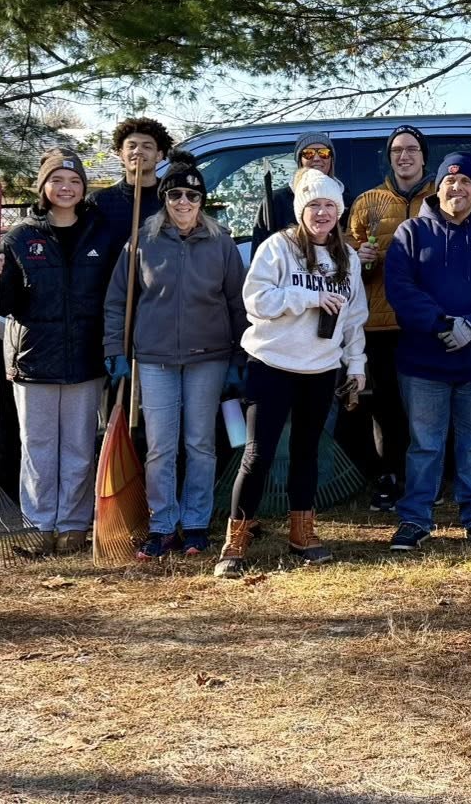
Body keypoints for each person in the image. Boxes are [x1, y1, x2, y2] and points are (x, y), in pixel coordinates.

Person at [101, 152, 248, 561]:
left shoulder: (220, 243)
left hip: (209, 357)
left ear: (203, 201)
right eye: (176, 195)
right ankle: (163, 525)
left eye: (192, 196)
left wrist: (239, 355)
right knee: (161, 446)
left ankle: (197, 524)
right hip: (155, 357)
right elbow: (118, 301)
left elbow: (238, 303)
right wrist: (115, 349)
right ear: (165, 199)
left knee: (200, 443)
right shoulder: (142, 241)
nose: (184, 202)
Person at [219, 169, 367, 573]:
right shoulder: (277, 247)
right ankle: (235, 542)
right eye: (314, 205)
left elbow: (354, 318)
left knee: (306, 452)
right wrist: (308, 297)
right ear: (301, 210)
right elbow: (256, 301)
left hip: (320, 369)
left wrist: (356, 365)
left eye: (329, 206)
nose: (322, 213)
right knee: (258, 453)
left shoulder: (347, 258)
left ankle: (302, 533)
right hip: (272, 364)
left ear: (339, 212)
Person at [0, 150, 120, 556]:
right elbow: (1, 305)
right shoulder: (21, 237)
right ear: (43, 187)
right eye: (57, 180)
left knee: (77, 446)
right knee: (39, 447)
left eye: (73, 181)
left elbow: (114, 295)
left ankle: (73, 524)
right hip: (34, 358)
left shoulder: (100, 235)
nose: (66, 188)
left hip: (85, 358)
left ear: (83, 188)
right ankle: (39, 524)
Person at [381, 151, 471, 551]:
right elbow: (401, 289)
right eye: (449, 181)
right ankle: (415, 520)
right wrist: (443, 324)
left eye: (465, 183)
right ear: (437, 187)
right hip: (424, 363)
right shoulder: (411, 233)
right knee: (425, 445)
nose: (457, 188)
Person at [344, 124, 433, 511]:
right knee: (385, 406)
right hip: (380, 322)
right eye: (397, 150)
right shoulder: (367, 202)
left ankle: (427, 477)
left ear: (423, 156)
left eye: (411, 149)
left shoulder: (440, 195)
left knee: (427, 404)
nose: (404, 156)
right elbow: (344, 260)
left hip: (426, 320)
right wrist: (358, 261)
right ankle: (390, 475)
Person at [250, 130, 339, 253]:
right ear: (299, 160)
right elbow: (259, 254)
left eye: (324, 153)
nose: (317, 158)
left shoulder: (347, 201)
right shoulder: (275, 201)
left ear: (331, 159)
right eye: (309, 153)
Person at [90, 117, 172, 243]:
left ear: (159, 155)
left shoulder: (173, 199)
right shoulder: (98, 201)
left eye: (147, 147)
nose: (138, 151)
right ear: (121, 154)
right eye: (132, 146)